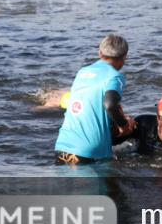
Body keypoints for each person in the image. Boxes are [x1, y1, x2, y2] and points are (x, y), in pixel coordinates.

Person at [55, 34, 137, 164]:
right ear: (124, 57)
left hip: (62, 147)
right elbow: (110, 104)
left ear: (99, 53)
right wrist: (124, 125)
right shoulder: (114, 76)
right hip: (89, 153)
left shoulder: (82, 72)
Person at [115, 94, 162, 159]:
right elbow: (114, 141)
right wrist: (121, 125)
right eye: (161, 118)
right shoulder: (143, 125)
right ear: (157, 117)